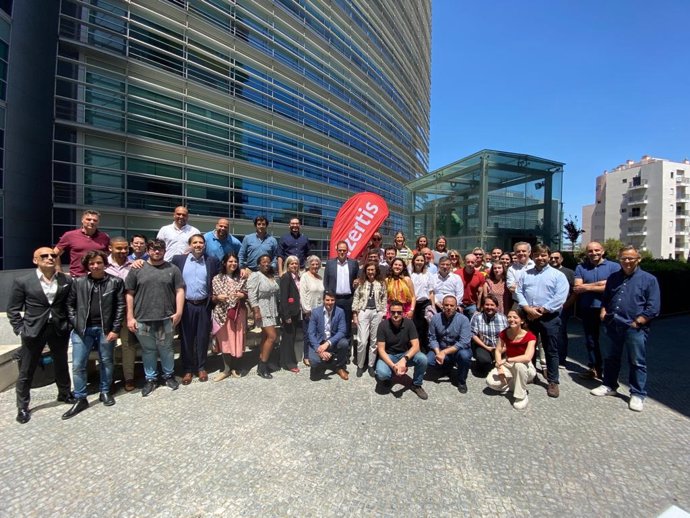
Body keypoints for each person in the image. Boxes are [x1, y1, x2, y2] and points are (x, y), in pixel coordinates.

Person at [7, 247, 75, 424]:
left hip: (58, 328)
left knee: (61, 363)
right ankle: (22, 406)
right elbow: (13, 309)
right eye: (44, 256)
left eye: (53, 255)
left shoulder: (65, 280)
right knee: (27, 369)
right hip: (33, 330)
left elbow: (70, 304)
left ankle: (65, 393)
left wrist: (68, 324)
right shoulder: (23, 281)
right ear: (35, 260)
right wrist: (20, 329)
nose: (50, 258)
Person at [590, 246, 661, 412]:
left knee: (637, 361)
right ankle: (609, 385)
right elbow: (607, 298)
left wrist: (638, 321)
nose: (627, 261)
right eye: (623, 258)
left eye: (630, 258)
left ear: (638, 259)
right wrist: (603, 311)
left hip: (634, 327)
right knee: (611, 357)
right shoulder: (614, 277)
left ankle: (637, 393)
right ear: (619, 259)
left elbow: (654, 306)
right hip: (612, 324)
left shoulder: (649, 279)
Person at [63, 250, 125, 419]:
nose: (95, 266)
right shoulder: (79, 282)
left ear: (104, 263)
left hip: (106, 330)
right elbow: (70, 306)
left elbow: (120, 307)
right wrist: (77, 324)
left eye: (98, 262)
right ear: (87, 266)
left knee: (106, 361)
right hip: (83, 330)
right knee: (78, 364)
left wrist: (115, 329)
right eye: (91, 264)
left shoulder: (115, 282)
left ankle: (105, 391)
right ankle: (80, 397)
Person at [125, 239, 184, 397]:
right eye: (153, 249)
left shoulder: (173, 269)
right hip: (143, 318)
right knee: (148, 350)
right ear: (148, 250)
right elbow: (129, 293)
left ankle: (168, 376)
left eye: (160, 249)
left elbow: (179, 290)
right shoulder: (137, 268)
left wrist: (179, 312)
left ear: (164, 251)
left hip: (166, 317)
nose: (157, 252)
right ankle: (151, 379)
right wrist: (130, 317)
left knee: (166, 349)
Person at [516, 244, 569, 398]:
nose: (540, 258)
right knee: (528, 348)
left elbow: (560, 297)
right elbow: (519, 292)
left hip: (549, 317)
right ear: (533, 256)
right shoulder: (526, 274)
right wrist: (527, 308)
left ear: (548, 256)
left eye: (543, 255)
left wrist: (541, 310)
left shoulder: (558, 275)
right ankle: (530, 375)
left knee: (550, 349)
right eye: (537, 255)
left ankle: (553, 381)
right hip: (529, 315)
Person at [171, 234, 220, 384]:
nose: (198, 245)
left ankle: (201, 367)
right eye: (195, 242)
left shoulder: (212, 261)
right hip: (186, 305)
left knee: (202, 337)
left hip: (204, 305)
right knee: (186, 338)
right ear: (190, 245)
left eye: (201, 242)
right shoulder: (178, 260)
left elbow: (218, 279)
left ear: (204, 245)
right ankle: (187, 369)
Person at [574, 241, 621, 379]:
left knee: (610, 341)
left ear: (603, 251)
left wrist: (587, 287)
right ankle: (594, 367)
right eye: (590, 251)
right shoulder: (581, 267)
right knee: (591, 340)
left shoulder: (614, 267)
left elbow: (614, 287)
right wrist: (601, 284)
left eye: (597, 250)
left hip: (607, 309)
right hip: (588, 308)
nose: (593, 253)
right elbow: (577, 288)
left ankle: (611, 373)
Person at [375, 300, 428, 400]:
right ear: (389, 313)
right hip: (389, 355)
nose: (396, 315)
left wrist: (404, 360)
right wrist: (394, 366)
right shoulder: (383, 325)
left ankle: (416, 384)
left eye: (399, 312)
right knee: (382, 374)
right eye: (393, 312)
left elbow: (416, 345)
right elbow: (381, 350)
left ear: (403, 313)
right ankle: (389, 376)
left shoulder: (409, 323)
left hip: (405, 353)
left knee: (423, 359)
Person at [485, 309, 537, 410]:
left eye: (515, 317)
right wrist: (499, 368)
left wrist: (507, 360)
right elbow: (498, 350)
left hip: (525, 367)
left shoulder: (530, 337)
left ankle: (521, 396)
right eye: (509, 317)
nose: (511, 319)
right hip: (508, 365)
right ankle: (517, 385)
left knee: (519, 365)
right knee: (490, 382)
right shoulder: (504, 333)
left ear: (522, 321)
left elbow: (527, 357)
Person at [105, 236, 138, 391]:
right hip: (108, 313)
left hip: (127, 312)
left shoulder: (133, 265)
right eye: (119, 248)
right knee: (107, 346)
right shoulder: (102, 264)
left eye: (125, 248)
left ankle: (129, 377)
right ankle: (108, 379)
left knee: (128, 345)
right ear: (110, 248)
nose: (123, 251)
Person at [211, 253, 247, 381]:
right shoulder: (217, 278)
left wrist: (243, 295)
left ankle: (235, 367)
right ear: (224, 263)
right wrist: (217, 297)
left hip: (238, 313)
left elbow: (247, 293)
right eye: (230, 261)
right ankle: (226, 369)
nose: (233, 264)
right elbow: (213, 297)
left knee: (237, 340)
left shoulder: (241, 277)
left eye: (235, 261)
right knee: (226, 341)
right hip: (223, 313)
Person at [428, 295, 472, 393]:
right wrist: (438, 352)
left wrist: (444, 352)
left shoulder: (463, 319)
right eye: (446, 305)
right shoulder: (435, 318)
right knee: (429, 361)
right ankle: (447, 366)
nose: (449, 307)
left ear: (456, 307)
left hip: (458, 349)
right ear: (442, 306)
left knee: (464, 356)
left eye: (452, 305)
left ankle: (461, 381)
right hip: (441, 347)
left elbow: (464, 342)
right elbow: (432, 338)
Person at [247, 254, 280, 379]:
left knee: (265, 336)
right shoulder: (256, 276)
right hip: (262, 309)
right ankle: (262, 365)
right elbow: (251, 294)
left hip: (272, 309)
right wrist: (256, 311)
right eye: (263, 262)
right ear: (259, 264)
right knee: (272, 336)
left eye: (268, 262)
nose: (266, 264)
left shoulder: (270, 275)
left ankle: (263, 359)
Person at [352, 262, 387, 377]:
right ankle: (360, 365)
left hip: (377, 312)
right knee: (362, 340)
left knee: (374, 340)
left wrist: (382, 313)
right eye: (368, 270)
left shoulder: (381, 283)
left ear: (376, 271)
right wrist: (355, 314)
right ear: (365, 271)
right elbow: (356, 298)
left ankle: (371, 365)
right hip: (363, 311)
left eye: (373, 270)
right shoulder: (361, 283)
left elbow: (384, 298)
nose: (371, 272)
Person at [307, 291, 350, 381]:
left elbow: (342, 331)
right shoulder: (315, 312)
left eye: (332, 300)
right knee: (315, 367)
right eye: (327, 300)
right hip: (318, 342)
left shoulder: (340, 312)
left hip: (332, 342)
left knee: (344, 343)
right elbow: (311, 333)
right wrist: (319, 349)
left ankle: (339, 367)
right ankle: (322, 364)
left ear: (335, 300)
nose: (330, 303)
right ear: (323, 300)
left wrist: (328, 343)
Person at [54, 209, 110, 277]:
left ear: (98, 222)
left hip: (98, 277)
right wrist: (58, 269)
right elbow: (55, 254)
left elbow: (108, 256)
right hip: (77, 277)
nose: (92, 222)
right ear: (82, 220)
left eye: (95, 220)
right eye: (88, 219)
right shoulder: (70, 235)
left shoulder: (104, 237)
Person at [323, 240, 359, 343]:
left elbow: (357, 280)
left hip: (348, 299)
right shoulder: (330, 263)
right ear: (336, 250)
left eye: (344, 250)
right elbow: (326, 282)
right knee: (332, 324)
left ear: (347, 251)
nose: (342, 252)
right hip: (334, 299)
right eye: (340, 250)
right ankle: (333, 349)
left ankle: (346, 353)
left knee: (347, 326)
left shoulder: (353, 263)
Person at [549, 250, 576, 368]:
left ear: (562, 259)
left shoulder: (569, 273)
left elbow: (575, 291)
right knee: (548, 333)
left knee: (560, 333)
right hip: (547, 307)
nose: (554, 260)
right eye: (552, 258)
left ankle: (561, 359)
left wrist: (566, 305)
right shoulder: (546, 271)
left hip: (562, 308)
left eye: (556, 258)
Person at [470, 294, 508, 376]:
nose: (489, 307)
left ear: (497, 306)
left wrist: (503, 349)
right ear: (483, 306)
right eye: (487, 304)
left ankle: (497, 361)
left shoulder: (503, 318)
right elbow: (473, 334)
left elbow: (508, 335)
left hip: (501, 347)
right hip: (485, 346)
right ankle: (481, 365)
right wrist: (487, 347)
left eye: (492, 305)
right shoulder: (477, 317)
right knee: (484, 361)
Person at [299, 255, 325, 367]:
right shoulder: (305, 276)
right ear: (308, 265)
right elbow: (303, 294)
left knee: (318, 333)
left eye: (317, 264)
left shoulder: (320, 277)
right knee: (308, 334)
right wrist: (307, 310)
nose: (315, 266)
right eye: (312, 264)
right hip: (309, 311)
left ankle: (317, 354)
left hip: (320, 311)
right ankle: (306, 356)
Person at [279, 255, 302, 372]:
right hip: (289, 314)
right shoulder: (286, 277)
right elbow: (283, 298)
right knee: (288, 338)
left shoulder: (297, 277)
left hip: (296, 312)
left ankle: (283, 361)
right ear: (287, 265)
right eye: (291, 263)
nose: (294, 265)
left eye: (296, 263)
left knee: (290, 338)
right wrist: (286, 315)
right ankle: (290, 363)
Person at [409, 252, 435, 352]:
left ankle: (424, 348)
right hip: (413, 304)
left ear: (424, 262)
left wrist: (432, 306)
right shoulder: (410, 274)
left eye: (421, 260)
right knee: (414, 327)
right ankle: (415, 349)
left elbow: (431, 292)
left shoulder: (428, 274)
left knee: (425, 327)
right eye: (417, 260)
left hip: (425, 303)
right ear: (413, 261)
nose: (419, 262)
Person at [459, 253, 486, 319]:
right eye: (468, 262)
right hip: (459, 304)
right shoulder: (457, 274)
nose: (470, 264)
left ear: (476, 263)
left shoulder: (480, 276)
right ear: (464, 262)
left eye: (472, 262)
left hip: (472, 305)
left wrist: (478, 308)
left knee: (473, 325)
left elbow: (480, 293)